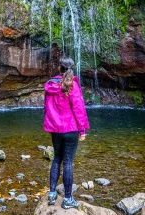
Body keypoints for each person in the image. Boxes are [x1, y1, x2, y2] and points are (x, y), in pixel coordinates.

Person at [43, 57, 90, 209]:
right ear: (71, 68)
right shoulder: (72, 84)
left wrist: (51, 126)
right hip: (71, 129)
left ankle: (51, 194)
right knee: (68, 161)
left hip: (56, 129)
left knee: (57, 158)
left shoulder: (50, 84)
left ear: (59, 68)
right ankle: (68, 198)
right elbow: (78, 108)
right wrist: (82, 129)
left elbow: (46, 108)